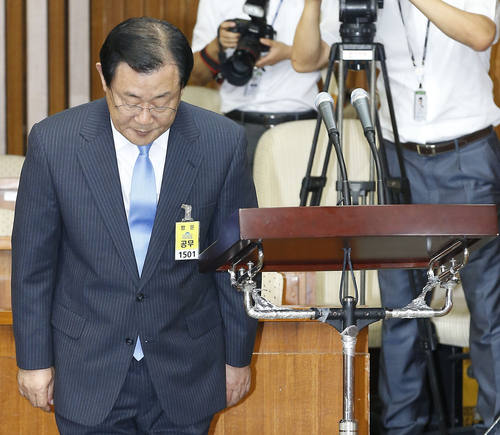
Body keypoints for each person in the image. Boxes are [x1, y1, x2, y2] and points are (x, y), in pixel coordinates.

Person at [11, 17, 258, 435]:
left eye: (163, 102)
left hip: (187, 367)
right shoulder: (55, 143)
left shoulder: (222, 143)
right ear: (103, 79)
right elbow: (32, 266)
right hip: (87, 367)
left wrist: (238, 357)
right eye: (129, 101)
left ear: (183, 86)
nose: (145, 118)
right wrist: (34, 361)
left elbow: (237, 262)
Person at [292, 1, 500, 434]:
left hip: (467, 156)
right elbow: (306, 60)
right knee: (400, 307)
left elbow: (481, 34)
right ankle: (403, 425)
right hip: (395, 159)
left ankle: (494, 423)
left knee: (488, 307)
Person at [190, 0, 335, 168]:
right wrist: (218, 44)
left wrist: (289, 53)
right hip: (235, 127)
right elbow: (196, 75)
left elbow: (333, 53)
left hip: (298, 127)